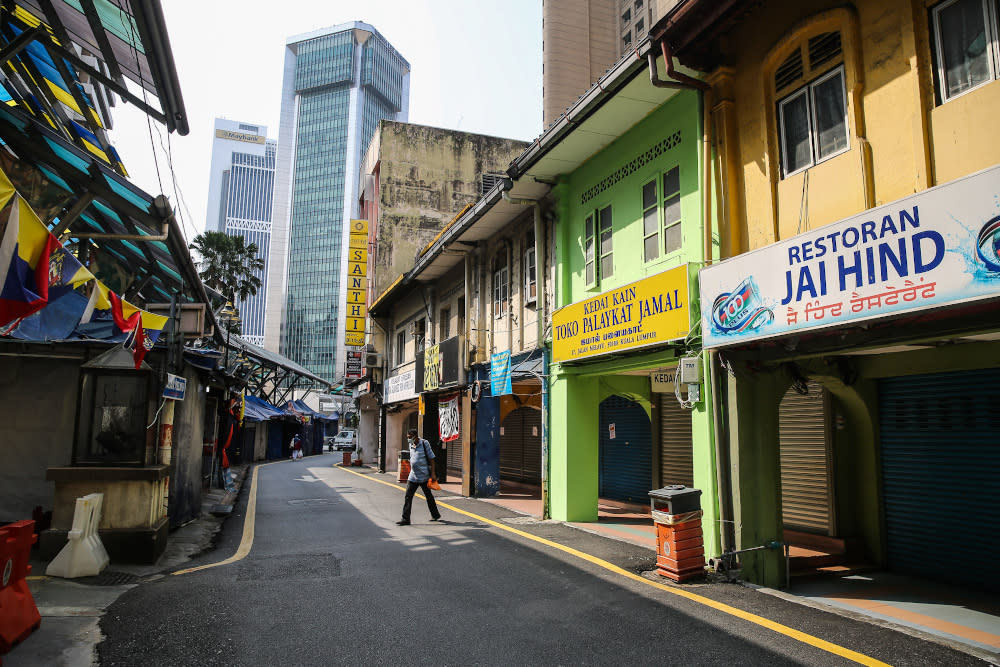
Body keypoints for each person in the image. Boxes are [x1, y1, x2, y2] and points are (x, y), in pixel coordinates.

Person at [397, 428, 441, 525]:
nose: (408, 439)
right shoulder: (411, 445)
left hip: (424, 476)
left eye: (410, 437)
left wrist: (433, 474)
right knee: (408, 496)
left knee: (429, 497)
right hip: (413, 476)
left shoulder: (425, 444)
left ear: (415, 436)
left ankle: (435, 515)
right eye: (407, 437)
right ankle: (405, 519)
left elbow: (432, 459)